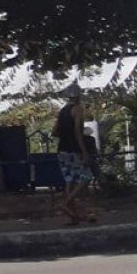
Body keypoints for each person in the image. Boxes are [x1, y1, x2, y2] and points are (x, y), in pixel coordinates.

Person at [53, 83, 93, 224]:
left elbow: (54, 132)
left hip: (61, 150)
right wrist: (84, 152)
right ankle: (65, 203)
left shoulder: (62, 111)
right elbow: (78, 133)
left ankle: (73, 216)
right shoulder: (78, 109)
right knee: (86, 177)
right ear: (78, 96)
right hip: (73, 150)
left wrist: (65, 132)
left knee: (69, 181)